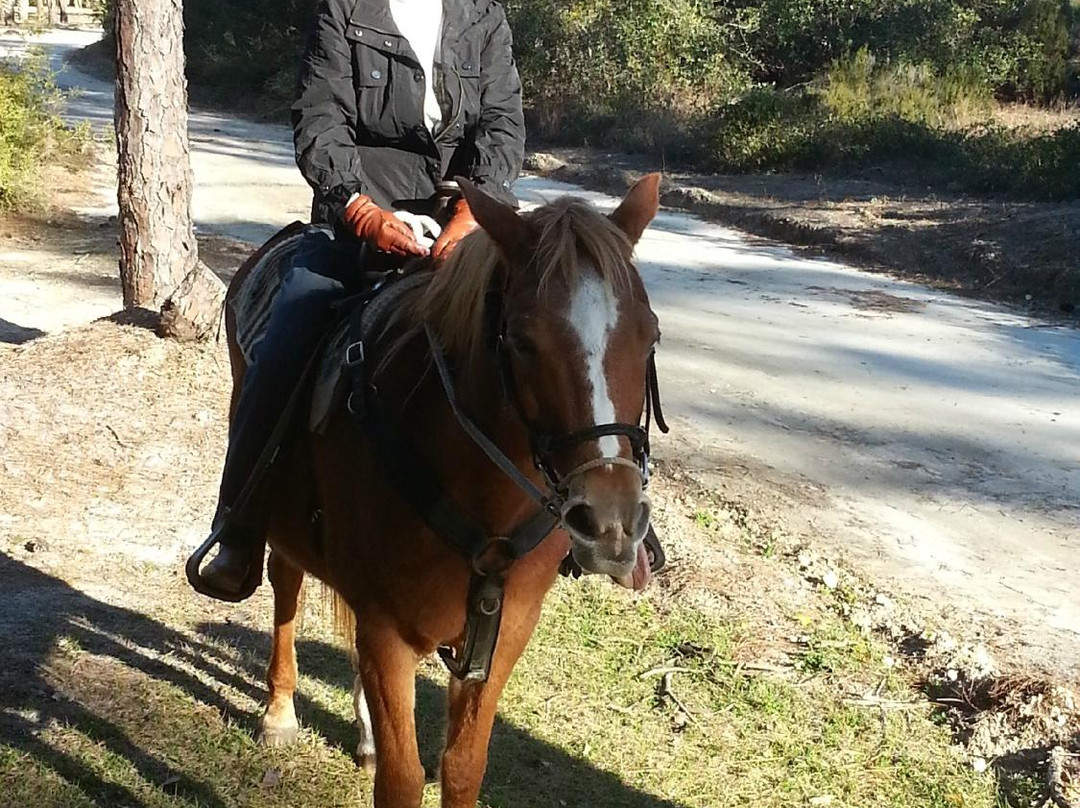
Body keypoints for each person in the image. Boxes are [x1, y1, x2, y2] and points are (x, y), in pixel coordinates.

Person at [189, 0, 526, 601]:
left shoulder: (482, 15)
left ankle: (585, 519)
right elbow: (319, 117)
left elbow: (502, 121)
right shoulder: (344, 10)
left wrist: (473, 212)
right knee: (289, 333)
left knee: (552, 324)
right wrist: (361, 211)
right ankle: (240, 526)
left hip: (461, 225)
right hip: (357, 220)